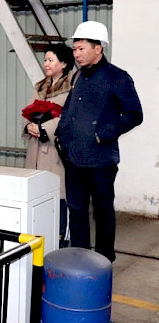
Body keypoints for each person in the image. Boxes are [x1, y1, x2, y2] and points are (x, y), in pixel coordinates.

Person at [56, 21, 142, 262]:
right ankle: (80, 257)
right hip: (74, 158)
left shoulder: (118, 77)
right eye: (75, 49)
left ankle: (104, 261)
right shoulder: (78, 76)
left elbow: (135, 114)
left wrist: (102, 134)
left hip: (101, 160)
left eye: (81, 48)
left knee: (103, 211)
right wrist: (62, 135)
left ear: (98, 48)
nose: (76, 54)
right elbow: (69, 110)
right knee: (77, 210)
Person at [23, 43, 74, 247]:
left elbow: (68, 117)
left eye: (51, 60)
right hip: (36, 148)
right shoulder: (40, 86)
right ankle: (40, 236)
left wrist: (44, 129)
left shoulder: (72, 86)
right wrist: (29, 126)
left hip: (55, 150)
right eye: (45, 60)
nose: (46, 63)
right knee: (38, 193)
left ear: (63, 63)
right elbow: (28, 109)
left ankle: (61, 238)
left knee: (59, 195)